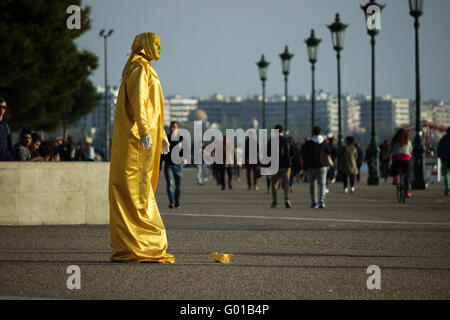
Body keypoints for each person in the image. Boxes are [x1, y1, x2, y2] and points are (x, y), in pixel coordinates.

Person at [108, 32, 174, 263]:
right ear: (144, 45)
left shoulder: (143, 67)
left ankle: (138, 242)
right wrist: (146, 131)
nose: (159, 48)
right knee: (136, 190)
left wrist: (161, 134)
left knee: (141, 189)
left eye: (160, 44)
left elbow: (152, 107)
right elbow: (139, 102)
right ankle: (142, 244)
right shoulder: (139, 69)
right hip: (137, 141)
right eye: (156, 43)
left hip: (144, 139)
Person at [301, 126, 331, 208]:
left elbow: (305, 155)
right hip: (323, 165)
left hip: (312, 166)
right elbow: (328, 151)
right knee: (322, 184)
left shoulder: (309, 143)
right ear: (320, 132)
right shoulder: (324, 142)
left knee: (313, 184)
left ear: (313, 132)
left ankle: (314, 202)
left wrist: (305, 168)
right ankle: (322, 199)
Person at [268, 124, 294, 208]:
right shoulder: (287, 140)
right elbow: (292, 152)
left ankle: (275, 201)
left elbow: (267, 153)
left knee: (274, 183)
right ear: (282, 131)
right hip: (286, 165)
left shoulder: (271, 140)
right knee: (286, 183)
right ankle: (287, 199)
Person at [162, 121, 183, 208]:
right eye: (171, 127)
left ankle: (177, 201)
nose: (172, 128)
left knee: (178, 187)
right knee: (170, 184)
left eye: (174, 127)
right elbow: (162, 152)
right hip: (168, 165)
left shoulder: (181, 139)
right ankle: (172, 202)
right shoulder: (166, 138)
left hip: (178, 165)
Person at [390, 128, 413, 198]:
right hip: (405, 160)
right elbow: (410, 151)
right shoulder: (408, 141)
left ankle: (395, 177)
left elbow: (390, 150)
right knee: (406, 175)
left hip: (396, 159)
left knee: (393, 168)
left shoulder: (394, 141)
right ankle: (406, 192)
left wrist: (389, 156)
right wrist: (409, 156)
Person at [437, 127, 450, 196]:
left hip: (445, 158)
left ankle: (447, 187)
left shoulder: (444, 138)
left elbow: (439, 147)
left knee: (446, 173)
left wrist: (439, 155)